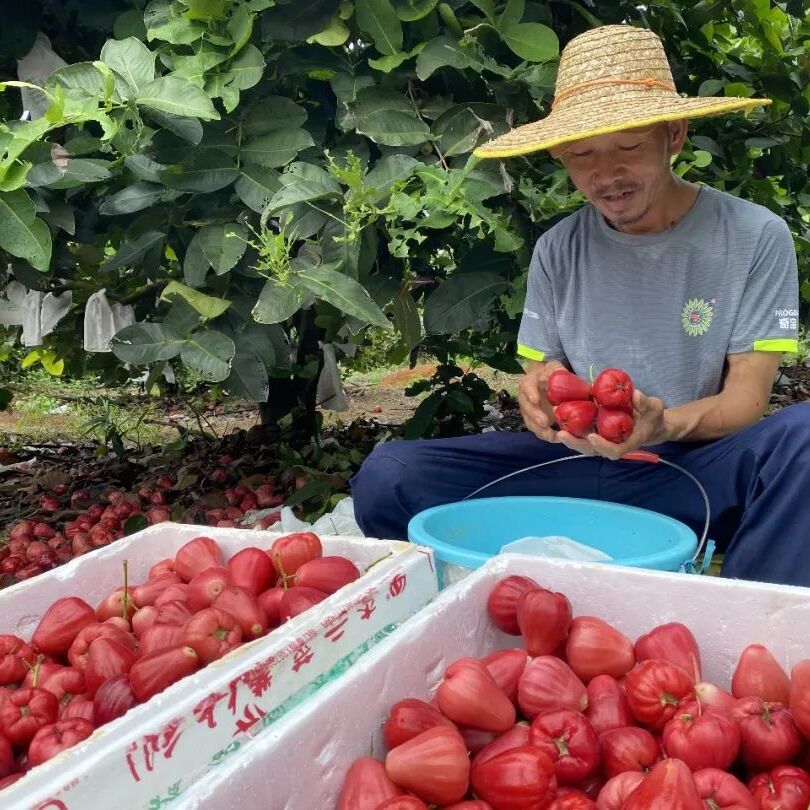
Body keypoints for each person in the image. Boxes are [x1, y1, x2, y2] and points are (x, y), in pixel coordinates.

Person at [351, 24, 807, 586]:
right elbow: (547, 375)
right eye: (581, 154)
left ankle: (750, 622)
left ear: (675, 136)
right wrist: (538, 399)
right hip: (575, 465)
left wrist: (661, 425)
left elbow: (746, 400)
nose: (605, 174)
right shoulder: (558, 248)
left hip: (686, 467)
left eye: (629, 146)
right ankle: (466, 606)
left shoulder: (754, 234)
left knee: (804, 439)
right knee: (389, 474)